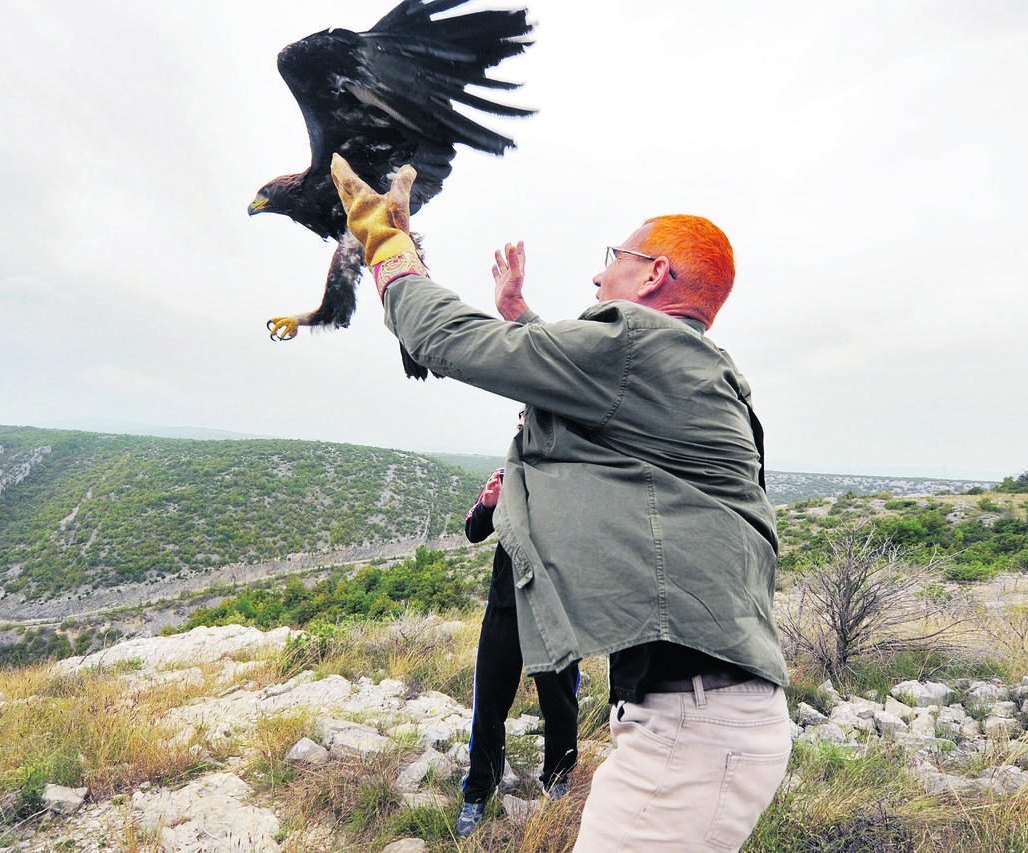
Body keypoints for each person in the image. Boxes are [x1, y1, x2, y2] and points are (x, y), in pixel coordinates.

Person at [330, 154, 790, 852]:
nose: (599, 275)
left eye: (614, 258)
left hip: (691, 728)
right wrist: (522, 317)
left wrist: (386, 245)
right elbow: (604, 403)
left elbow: (449, 340)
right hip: (714, 719)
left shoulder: (638, 344)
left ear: (656, 274)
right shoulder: (697, 367)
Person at [457, 417, 581, 837]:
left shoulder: (576, 476)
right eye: (520, 421)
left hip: (555, 607)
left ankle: (557, 778)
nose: (522, 428)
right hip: (505, 609)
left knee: (559, 700)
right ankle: (478, 793)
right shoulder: (506, 475)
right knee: (489, 701)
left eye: (531, 420)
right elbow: (474, 531)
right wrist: (487, 504)